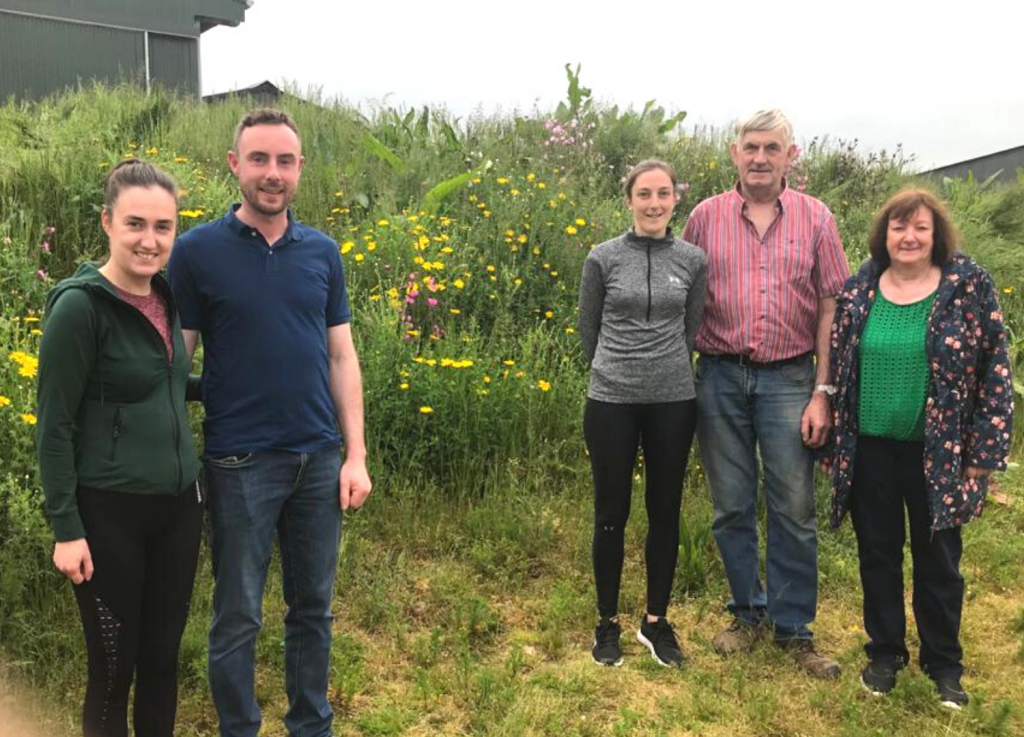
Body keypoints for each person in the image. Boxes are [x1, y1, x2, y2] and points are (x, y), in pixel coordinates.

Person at [167, 108, 372, 737]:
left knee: (313, 609)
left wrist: (355, 455)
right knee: (239, 614)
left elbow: (341, 356)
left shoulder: (323, 253)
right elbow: (177, 359)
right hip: (239, 462)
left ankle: (311, 724)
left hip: (318, 457)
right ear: (235, 165)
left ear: (300, 168)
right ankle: (240, 728)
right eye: (259, 159)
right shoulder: (195, 252)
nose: (272, 173)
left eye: (285, 161)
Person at [824, 187, 1013, 708]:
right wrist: (834, 439)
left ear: (936, 235)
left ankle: (943, 663)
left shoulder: (967, 286)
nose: (909, 237)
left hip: (941, 452)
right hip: (870, 450)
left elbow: (995, 367)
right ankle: (885, 653)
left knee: (939, 562)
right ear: (884, 235)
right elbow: (840, 363)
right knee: (877, 555)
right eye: (899, 227)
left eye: (920, 228)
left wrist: (984, 450)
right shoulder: (860, 288)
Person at [36, 159, 204, 737]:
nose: (149, 240)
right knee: (114, 669)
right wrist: (66, 528)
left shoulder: (165, 296)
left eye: (163, 226)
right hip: (109, 513)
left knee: (162, 662)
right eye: (135, 224)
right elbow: (54, 426)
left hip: (179, 508)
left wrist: (236, 387)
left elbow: (164, 382)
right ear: (107, 222)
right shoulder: (79, 308)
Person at [682, 109, 849, 678]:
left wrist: (824, 390)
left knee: (794, 509)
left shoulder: (817, 218)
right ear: (735, 153)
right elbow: (684, 296)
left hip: (790, 380)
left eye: (771, 148)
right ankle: (746, 613)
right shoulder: (704, 218)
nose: (759, 158)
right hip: (719, 377)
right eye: (750, 147)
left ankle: (794, 628)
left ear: (789, 155)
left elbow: (831, 306)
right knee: (731, 506)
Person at [578, 159, 708, 668]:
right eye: (644, 194)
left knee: (665, 509)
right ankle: (606, 622)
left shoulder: (693, 260)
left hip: (673, 400)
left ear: (676, 199)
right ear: (629, 199)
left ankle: (656, 621)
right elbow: (589, 329)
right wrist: (617, 370)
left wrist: (662, 368)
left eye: (663, 193)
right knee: (611, 511)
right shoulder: (603, 258)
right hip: (611, 399)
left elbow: (691, 328)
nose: (654, 203)